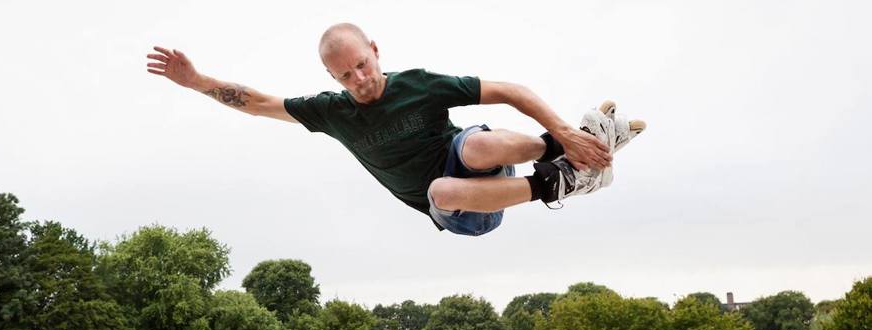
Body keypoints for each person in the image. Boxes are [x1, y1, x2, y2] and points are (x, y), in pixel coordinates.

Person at [146, 23, 645, 236]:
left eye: (362, 65)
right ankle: (560, 181)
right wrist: (196, 82)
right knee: (442, 187)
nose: (360, 80)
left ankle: (565, 149)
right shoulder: (331, 111)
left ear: (375, 51)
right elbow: (258, 103)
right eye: (346, 75)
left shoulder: (421, 86)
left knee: (476, 143)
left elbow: (511, 90)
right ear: (332, 78)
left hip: (477, 162)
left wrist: (560, 129)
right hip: (460, 211)